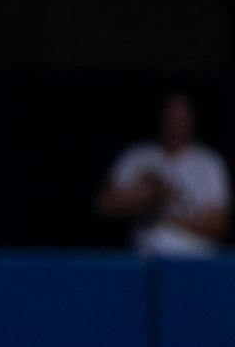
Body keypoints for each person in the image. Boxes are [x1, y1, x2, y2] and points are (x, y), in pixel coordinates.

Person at [95, 92, 230, 256]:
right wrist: (150, 196)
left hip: (195, 257)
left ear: (192, 119)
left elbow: (219, 225)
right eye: (171, 116)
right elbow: (104, 205)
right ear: (161, 117)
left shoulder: (209, 162)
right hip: (145, 256)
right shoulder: (138, 155)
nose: (175, 123)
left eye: (181, 117)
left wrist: (169, 220)